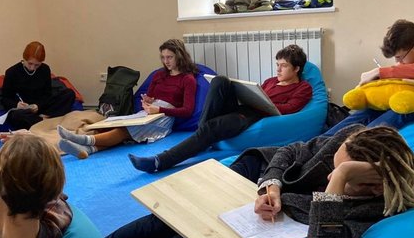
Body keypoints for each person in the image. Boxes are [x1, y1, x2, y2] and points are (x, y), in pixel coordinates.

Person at [105, 125, 414, 238]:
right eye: (334, 167)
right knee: (172, 216)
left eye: (340, 175)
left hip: (272, 217)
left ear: (372, 187)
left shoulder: (371, 207)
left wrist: (339, 178)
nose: (330, 174)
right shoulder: (346, 142)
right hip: (260, 172)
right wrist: (271, 185)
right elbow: (290, 150)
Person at [128, 44, 313, 173]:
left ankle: (159, 161)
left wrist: (264, 105)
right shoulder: (271, 81)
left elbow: (289, 108)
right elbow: (257, 95)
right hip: (243, 107)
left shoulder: (303, 87)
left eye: (283, 66)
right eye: (277, 65)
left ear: (296, 69)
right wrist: (247, 93)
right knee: (220, 80)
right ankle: (202, 136)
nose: (278, 70)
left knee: (211, 128)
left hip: (252, 116)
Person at [57, 39, 198, 159]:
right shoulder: (159, 75)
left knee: (124, 131)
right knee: (114, 125)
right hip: (149, 113)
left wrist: (160, 109)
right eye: (163, 57)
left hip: (164, 118)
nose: (166, 61)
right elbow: (150, 97)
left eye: (170, 57)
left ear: (179, 56)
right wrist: (147, 101)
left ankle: (82, 140)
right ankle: (87, 150)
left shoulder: (187, 79)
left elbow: (187, 111)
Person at [0, 41, 76, 129]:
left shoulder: (45, 69)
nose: (32, 68)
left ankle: (42, 120)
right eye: (30, 63)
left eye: (37, 65)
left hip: (41, 107)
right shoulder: (12, 72)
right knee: (16, 116)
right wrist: (17, 105)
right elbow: (5, 98)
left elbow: (47, 94)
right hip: (24, 110)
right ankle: (46, 121)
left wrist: (38, 105)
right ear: (24, 58)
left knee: (69, 94)